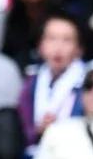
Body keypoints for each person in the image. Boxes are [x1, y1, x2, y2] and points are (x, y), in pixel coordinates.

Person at [18, 14, 86, 150]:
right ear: (40, 46)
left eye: (67, 40)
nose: (58, 47)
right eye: (51, 39)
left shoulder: (88, 82)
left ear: (79, 49)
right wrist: (37, 130)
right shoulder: (31, 80)